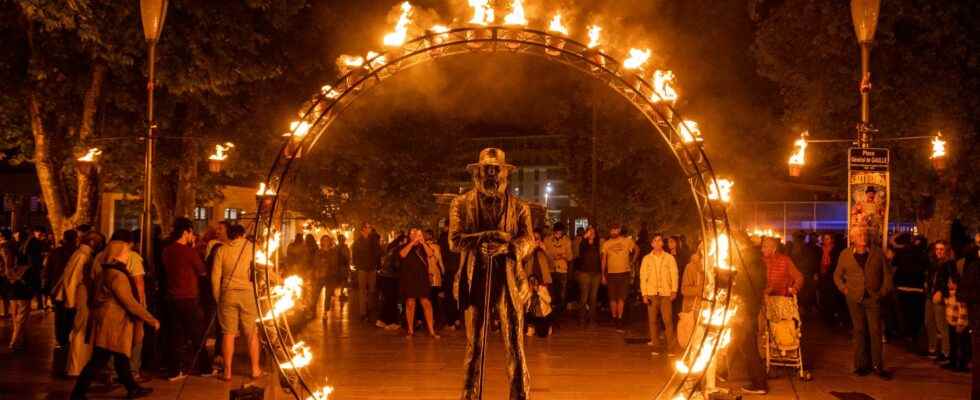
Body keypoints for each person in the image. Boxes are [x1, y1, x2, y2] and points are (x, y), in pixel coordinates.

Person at [450, 148, 534, 399]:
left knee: (515, 345)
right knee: (474, 345)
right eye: (486, 170)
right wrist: (486, 238)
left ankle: (519, 395)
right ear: (476, 174)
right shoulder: (461, 204)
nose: (491, 175)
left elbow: (528, 239)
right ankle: (469, 394)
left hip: (509, 279)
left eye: (496, 171)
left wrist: (508, 246)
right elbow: (454, 241)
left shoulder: (520, 207)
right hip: (474, 278)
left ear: (505, 174)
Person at [70, 240, 159, 400]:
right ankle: (78, 393)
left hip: (109, 321)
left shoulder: (106, 271)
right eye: (125, 252)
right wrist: (150, 319)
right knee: (99, 360)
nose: (128, 256)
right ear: (117, 254)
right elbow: (129, 302)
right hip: (113, 323)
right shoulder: (117, 275)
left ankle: (132, 388)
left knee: (120, 357)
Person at [834, 230, 893, 379]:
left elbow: (887, 274)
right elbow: (837, 275)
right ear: (853, 238)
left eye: (864, 235)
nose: (863, 237)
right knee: (859, 330)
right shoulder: (845, 254)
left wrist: (882, 292)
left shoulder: (877, 253)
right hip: (854, 298)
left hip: (873, 298)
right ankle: (861, 365)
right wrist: (844, 288)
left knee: (875, 331)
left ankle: (877, 366)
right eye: (859, 235)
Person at [92, 230, 148, 379]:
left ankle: (116, 374)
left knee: (108, 345)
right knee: (133, 340)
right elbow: (138, 283)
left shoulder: (99, 257)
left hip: (102, 309)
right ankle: (132, 372)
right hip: (122, 310)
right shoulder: (131, 258)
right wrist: (142, 308)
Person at [161, 218, 212, 380]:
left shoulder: (167, 250)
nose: (193, 236)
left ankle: (175, 371)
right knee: (197, 334)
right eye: (191, 232)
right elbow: (202, 271)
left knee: (175, 335)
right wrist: (195, 249)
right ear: (185, 232)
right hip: (189, 297)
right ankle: (205, 368)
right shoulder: (189, 252)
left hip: (171, 297)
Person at [211, 224, 262, 381]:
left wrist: (218, 297)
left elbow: (215, 277)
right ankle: (255, 369)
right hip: (247, 294)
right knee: (251, 333)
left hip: (227, 294)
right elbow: (263, 267)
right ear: (242, 234)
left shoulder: (222, 250)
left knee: (228, 333)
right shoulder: (252, 247)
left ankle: (227, 372)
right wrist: (278, 279)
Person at [52, 232, 105, 376]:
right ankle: (76, 367)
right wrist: (70, 302)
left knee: (80, 332)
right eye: (99, 242)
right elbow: (72, 280)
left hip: (78, 298)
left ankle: (77, 366)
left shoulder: (81, 254)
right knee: (80, 332)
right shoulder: (82, 256)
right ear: (93, 242)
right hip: (80, 298)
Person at [730, 231, 769, 394]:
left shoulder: (746, 261)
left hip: (745, 307)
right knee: (742, 343)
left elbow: (743, 285)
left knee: (748, 345)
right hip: (750, 306)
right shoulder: (756, 259)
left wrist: (733, 285)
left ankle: (759, 383)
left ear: (740, 244)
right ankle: (726, 372)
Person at [640, 233, 678, 355]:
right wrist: (644, 294)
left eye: (659, 240)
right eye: (655, 241)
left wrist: (674, 290)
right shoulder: (647, 259)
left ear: (662, 243)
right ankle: (655, 346)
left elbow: (674, 274)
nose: (657, 243)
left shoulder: (669, 258)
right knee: (653, 321)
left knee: (667, 321)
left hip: (665, 293)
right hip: (651, 293)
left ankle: (671, 348)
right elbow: (643, 277)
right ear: (652, 244)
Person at [399, 228, 439, 337]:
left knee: (426, 303)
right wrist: (412, 243)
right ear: (409, 235)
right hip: (409, 278)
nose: (415, 235)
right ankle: (410, 330)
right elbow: (402, 254)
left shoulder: (423, 246)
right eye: (413, 233)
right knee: (410, 303)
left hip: (422, 277)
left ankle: (431, 330)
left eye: (417, 233)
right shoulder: (405, 245)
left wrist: (423, 242)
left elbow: (431, 254)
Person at [890, 233, 927, 342]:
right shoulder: (923, 254)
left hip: (902, 286)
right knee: (916, 313)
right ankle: (914, 334)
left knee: (904, 313)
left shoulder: (902, 251)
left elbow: (894, 264)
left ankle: (905, 333)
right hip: (917, 288)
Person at [601, 223, 638, 331]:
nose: (613, 232)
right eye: (612, 230)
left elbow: (637, 249)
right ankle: (614, 318)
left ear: (619, 230)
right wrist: (603, 274)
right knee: (612, 298)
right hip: (611, 273)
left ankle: (620, 319)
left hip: (624, 273)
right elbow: (603, 260)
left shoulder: (626, 241)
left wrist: (632, 262)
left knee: (621, 298)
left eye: (615, 230)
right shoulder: (606, 244)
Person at [46, 229, 78, 349]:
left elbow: (48, 271)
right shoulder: (77, 253)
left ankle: (60, 339)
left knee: (59, 315)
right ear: (75, 239)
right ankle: (65, 337)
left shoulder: (55, 252)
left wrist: (48, 288)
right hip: (72, 288)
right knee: (70, 313)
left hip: (57, 287)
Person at [926, 240, 955, 362]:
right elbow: (931, 278)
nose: (938, 251)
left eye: (941, 249)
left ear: (946, 251)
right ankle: (932, 348)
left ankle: (946, 352)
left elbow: (953, 282)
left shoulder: (949, 264)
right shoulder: (934, 263)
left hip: (940, 297)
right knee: (929, 322)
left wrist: (942, 292)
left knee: (941, 325)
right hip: (930, 295)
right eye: (937, 249)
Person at [352, 223, 382, 322]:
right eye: (368, 227)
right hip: (362, 268)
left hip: (372, 268)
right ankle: (363, 312)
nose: (369, 229)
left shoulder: (373, 240)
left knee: (372, 290)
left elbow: (378, 253)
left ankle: (370, 310)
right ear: (363, 229)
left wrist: (377, 265)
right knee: (362, 290)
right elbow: (355, 255)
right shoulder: (358, 242)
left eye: (370, 227)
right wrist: (357, 265)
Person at [378, 234, 407, 330]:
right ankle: (391, 322)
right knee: (393, 300)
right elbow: (397, 265)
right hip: (392, 277)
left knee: (387, 299)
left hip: (385, 276)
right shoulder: (399, 249)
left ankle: (382, 320)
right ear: (402, 241)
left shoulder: (391, 247)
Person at [543, 222, 572, 315]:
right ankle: (551, 312)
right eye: (557, 232)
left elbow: (570, 256)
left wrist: (564, 256)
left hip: (562, 270)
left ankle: (560, 313)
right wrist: (552, 256)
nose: (558, 235)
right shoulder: (547, 240)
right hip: (550, 269)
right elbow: (544, 253)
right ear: (554, 231)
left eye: (560, 233)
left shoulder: (567, 241)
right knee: (550, 293)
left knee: (562, 294)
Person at [577, 226, 602, 326]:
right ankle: (582, 319)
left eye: (593, 232)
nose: (591, 233)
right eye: (589, 231)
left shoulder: (598, 244)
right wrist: (584, 238)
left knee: (593, 297)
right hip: (585, 273)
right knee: (584, 297)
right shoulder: (583, 244)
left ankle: (592, 319)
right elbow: (581, 251)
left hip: (596, 274)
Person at [424, 229, 446, 329]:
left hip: (426, 275)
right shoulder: (436, 247)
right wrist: (443, 272)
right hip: (435, 275)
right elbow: (440, 261)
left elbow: (439, 261)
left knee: (429, 299)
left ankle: (431, 321)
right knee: (434, 300)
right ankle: (436, 321)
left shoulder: (423, 246)